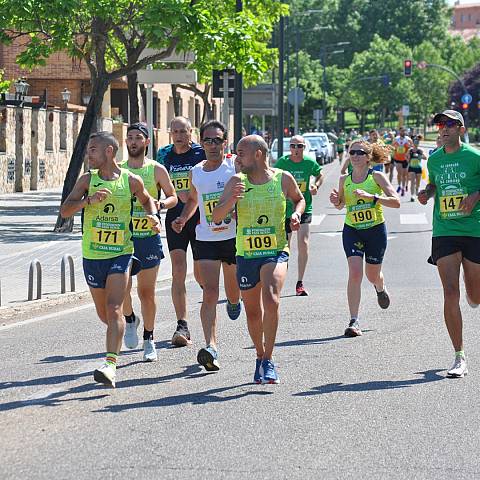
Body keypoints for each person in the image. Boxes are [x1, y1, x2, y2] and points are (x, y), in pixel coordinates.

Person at [60, 132, 160, 387]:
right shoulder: (87, 180)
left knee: (115, 307)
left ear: (108, 152)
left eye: (92, 149)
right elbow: (65, 211)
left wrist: (154, 217)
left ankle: (110, 365)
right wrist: (87, 201)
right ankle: (130, 323)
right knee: (105, 315)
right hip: (93, 255)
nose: (87, 154)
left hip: (121, 253)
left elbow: (148, 201)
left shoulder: (131, 180)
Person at [212, 135, 305, 384]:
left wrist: (296, 215)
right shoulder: (235, 181)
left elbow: (299, 199)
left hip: (275, 249)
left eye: (241, 152)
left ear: (259, 154)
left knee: (272, 299)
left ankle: (269, 360)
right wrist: (231, 199)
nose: (236, 157)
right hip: (246, 253)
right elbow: (216, 216)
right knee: (253, 313)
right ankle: (260, 355)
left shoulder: (283, 178)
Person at [172, 120, 241, 371]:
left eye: (218, 140)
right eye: (208, 140)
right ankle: (211, 346)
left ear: (226, 142)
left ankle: (235, 300)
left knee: (232, 293)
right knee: (210, 292)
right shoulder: (196, 171)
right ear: (201, 143)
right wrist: (182, 218)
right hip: (207, 238)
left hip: (232, 238)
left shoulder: (234, 166)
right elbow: (192, 199)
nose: (212, 145)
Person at [418, 110, 480, 378]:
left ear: (461, 130)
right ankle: (459, 355)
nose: (443, 129)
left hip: (473, 229)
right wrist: (426, 192)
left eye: (449, 124)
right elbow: (434, 185)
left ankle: (474, 291)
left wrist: (476, 195)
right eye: (440, 125)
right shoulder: (433, 160)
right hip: (444, 229)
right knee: (450, 292)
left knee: (475, 295)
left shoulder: (475, 157)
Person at [330, 140, 400, 337]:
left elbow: (396, 202)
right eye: (352, 152)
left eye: (360, 152)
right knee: (354, 273)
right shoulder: (345, 179)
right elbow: (341, 204)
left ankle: (380, 287)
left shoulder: (376, 176)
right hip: (352, 229)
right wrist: (336, 201)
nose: (355, 155)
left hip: (375, 230)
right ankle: (354, 320)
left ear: (368, 157)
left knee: (372, 275)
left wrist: (373, 198)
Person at [121, 123, 178, 361]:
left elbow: (173, 197)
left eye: (138, 138)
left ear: (147, 142)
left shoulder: (156, 169)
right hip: (122, 238)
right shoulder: (118, 170)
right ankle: (130, 319)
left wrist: (160, 205)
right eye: (130, 137)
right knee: (121, 288)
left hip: (148, 237)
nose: (133, 141)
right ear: (125, 142)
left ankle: (149, 339)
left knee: (146, 292)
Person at [157, 116, 206, 347]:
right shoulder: (164, 155)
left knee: (199, 273)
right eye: (174, 131)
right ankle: (182, 324)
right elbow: (157, 184)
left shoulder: (200, 153)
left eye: (182, 131)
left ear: (191, 131)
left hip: (199, 219)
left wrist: (195, 196)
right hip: (175, 218)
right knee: (178, 270)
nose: (178, 135)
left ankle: (210, 294)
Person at [275, 135, 323, 296]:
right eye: (294, 146)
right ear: (290, 147)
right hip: (285, 210)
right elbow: (273, 176)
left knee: (303, 243)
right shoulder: (282, 162)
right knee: (285, 246)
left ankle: (300, 282)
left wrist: (315, 185)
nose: (296, 149)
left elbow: (320, 174)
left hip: (303, 207)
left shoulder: (309, 163)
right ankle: (280, 279)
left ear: (304, 148)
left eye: (300, 146)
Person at [392, 127, 413, 196]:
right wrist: (394, 148)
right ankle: (399, 185)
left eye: (404, 131)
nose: (403, 132)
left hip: (405, 159)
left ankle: (403, 187)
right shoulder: (396, 139)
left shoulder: (408, 139)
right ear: (399, 132)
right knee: (399, 173)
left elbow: (412, 148)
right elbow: (392, 147)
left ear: (405, 132)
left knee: (404, 175)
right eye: (401, 131)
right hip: (397, 158)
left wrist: (409, 147)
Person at [405, 136, 426, 202]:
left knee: (418, 183)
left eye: (417, 142)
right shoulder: (410, 150)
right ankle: (412, 195)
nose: (416, 143)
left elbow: (425, 157)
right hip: (411, 168)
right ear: (413, 143)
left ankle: (417, 189)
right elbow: (406, 156)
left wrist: (420, 156)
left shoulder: (420, 150)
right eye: (415, 142)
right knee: (412, 182)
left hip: (418, 168)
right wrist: (408, 159)